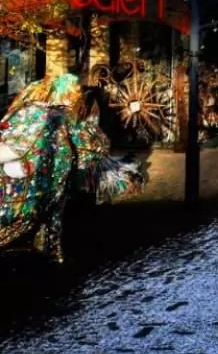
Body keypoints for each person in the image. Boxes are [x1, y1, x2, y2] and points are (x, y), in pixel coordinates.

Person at [0, 72, 143, 262]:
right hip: (36, 182)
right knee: (52, 212)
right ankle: (51, 250)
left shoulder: (26, 111)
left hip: (27, 177)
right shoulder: (55, 116)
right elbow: (93, 145)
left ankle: (47, 247)